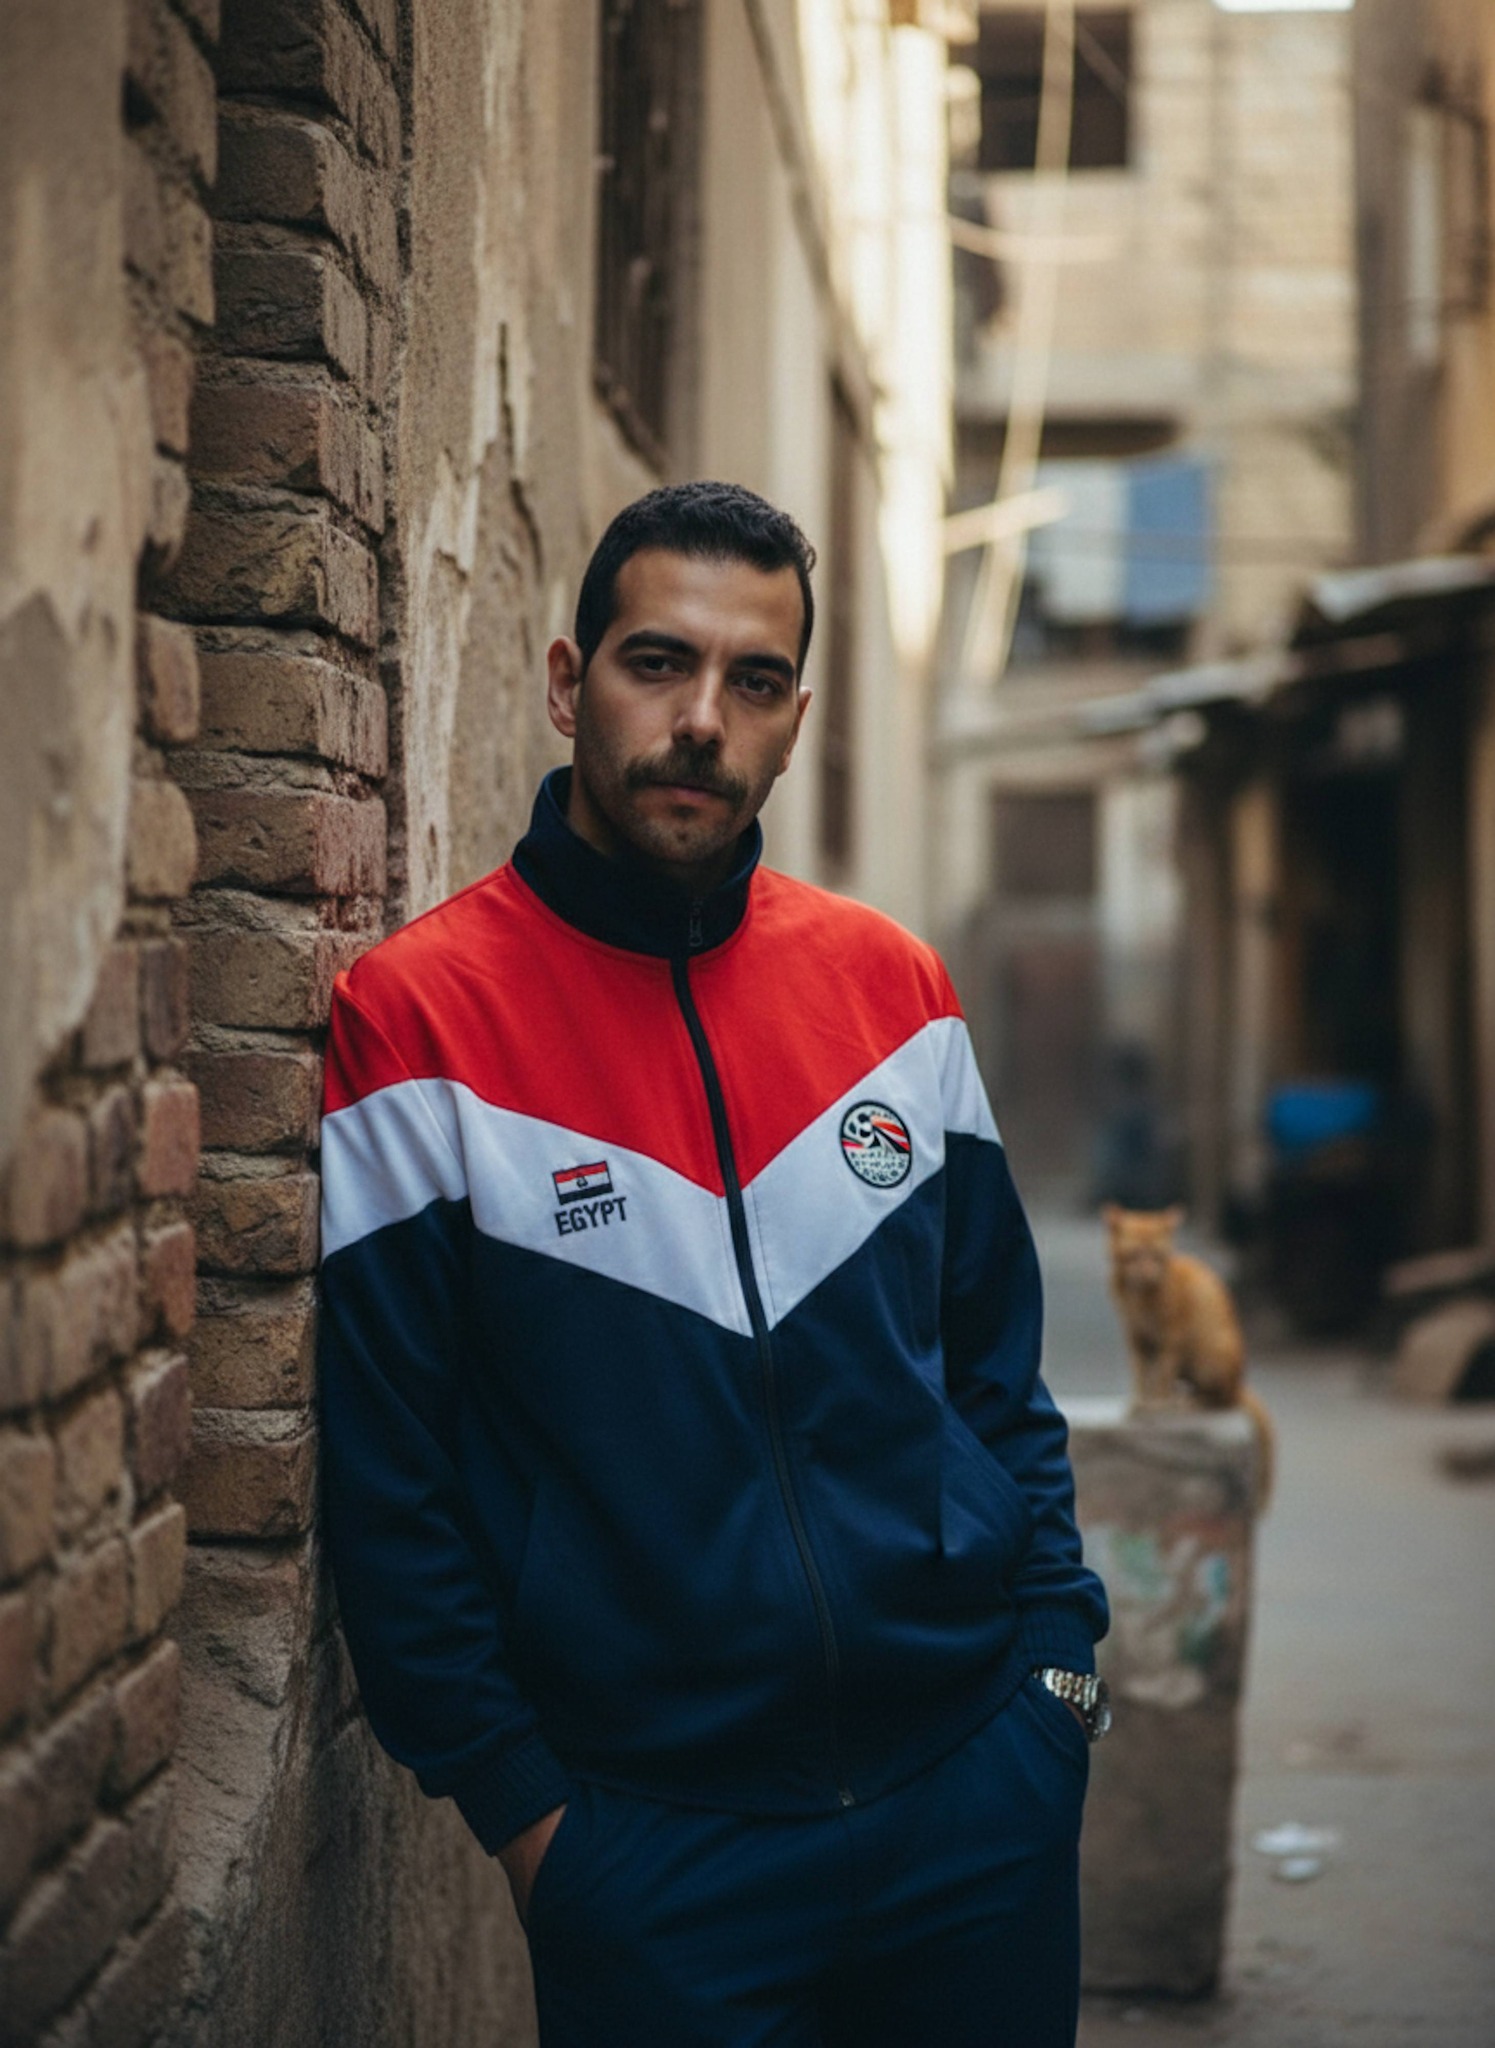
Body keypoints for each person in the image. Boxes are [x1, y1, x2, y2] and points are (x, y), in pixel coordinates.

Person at [318, 481, 1110, 2047]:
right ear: (569, 681)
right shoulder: (421, 1023)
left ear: (796, 718)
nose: (702, 721)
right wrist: (534, 1818)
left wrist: (1058, 1681)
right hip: (653, 1855)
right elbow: (389, 1476)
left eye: (753, 683)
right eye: (656, 664)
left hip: (977, 1800)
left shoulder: (895, 991)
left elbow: (997, 1377)